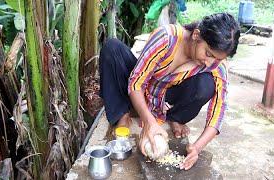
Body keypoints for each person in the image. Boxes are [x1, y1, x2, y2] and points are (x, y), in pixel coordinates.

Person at [99, 12, 240, 170]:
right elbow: (136, 82)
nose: (210, 63)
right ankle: (123, 115)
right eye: (208, 54)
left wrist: (197, 148)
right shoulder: (167, 38)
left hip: (165, 97)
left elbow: (218, 111)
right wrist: (149, 123)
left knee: (206, 85)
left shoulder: (215, 65)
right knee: (112, 48)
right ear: (196, 35)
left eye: (218, 59)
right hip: (142, 89)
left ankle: (175, 118)